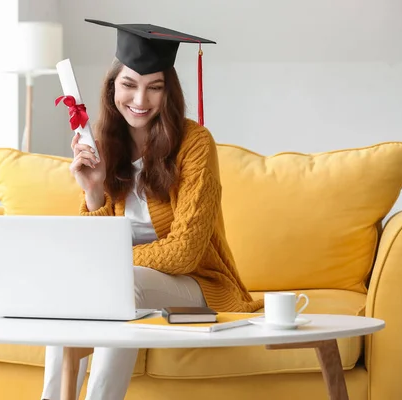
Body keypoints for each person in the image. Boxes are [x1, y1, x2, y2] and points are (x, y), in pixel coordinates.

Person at [42, 19, 264, 400]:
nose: (140, 100)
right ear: (113, 86)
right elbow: (89, 248)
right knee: (77, 285)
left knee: (119, 283)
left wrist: (111, 262)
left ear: (168, 92)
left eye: (154, 87)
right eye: (128, 85)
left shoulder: (195, 144)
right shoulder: (103, 145)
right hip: (129, 282)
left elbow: (185, 252)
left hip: (195, 284)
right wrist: (94, 192)